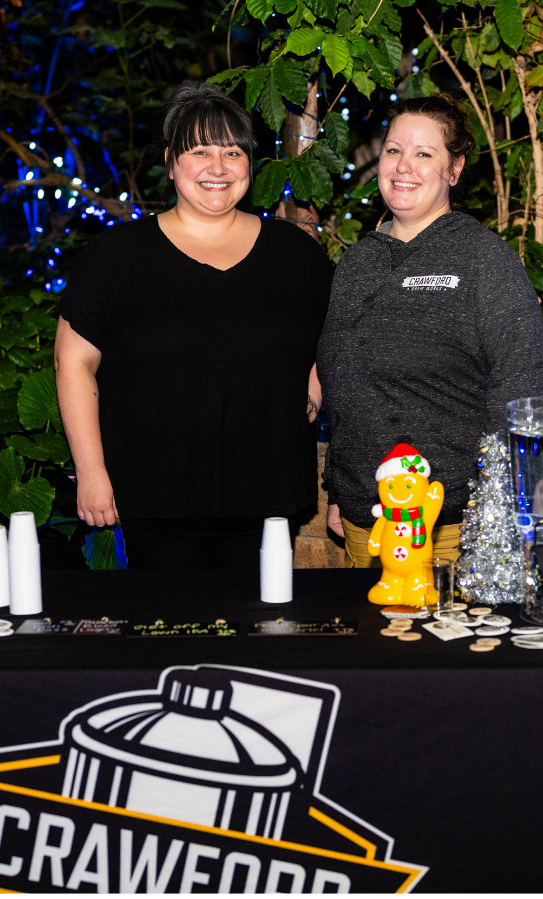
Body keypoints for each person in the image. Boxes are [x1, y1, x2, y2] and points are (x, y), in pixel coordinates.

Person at [54, 81, 333, 570]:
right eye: (199, 150)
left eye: (232, 151)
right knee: (164, 636)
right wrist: (92, 470)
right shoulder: (118, 256)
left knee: (264, 636)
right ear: (171, 160)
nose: (218, 167)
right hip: (154, 497)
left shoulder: (295, 253)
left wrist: (315, 382)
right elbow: (72, 361)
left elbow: (338, 334)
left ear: (250, 161)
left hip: (267, 496)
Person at [317, 93, 543, 567]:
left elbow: (519, 386)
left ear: (454, 169)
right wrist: (338, 489)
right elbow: (344, 379)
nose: (404, 167)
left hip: (451, 524)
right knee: (372, 642)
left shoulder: (484, 259)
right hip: (366, 515)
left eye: (424, 154)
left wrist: (495, 507)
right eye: (394, 150)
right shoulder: (356, 262)